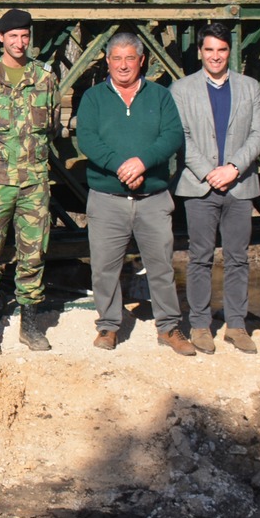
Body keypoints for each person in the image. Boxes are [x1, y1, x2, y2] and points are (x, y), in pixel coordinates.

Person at [73, 31, 196, 354]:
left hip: (153, 199)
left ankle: (169, 327)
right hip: (107, 198)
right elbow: (87, 138)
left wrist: (143, 162)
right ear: (108, 62)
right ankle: (108, 326)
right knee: (104, 267)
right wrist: (119, 165)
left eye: (130, 58)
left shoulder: (160, 96)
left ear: (142, 61)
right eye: (117, 58)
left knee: (162, 267)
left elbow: (172, 136)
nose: (123, 65)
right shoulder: (93, 98)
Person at [0, 9, 59, 355]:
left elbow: (51, 124)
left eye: (25, 36)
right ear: (1, 37)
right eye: (13, 36)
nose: (20, 43)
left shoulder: (45, 78)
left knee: (34, 254)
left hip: (34, 183)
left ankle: (30, 327)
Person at [171, 25, 260, 354]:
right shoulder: (181, 90)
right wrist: (208, 172)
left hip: (239, 185)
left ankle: (236, 326)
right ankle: (200, 325)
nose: (215, 56)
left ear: (230, 52)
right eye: (209, 50)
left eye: (222, 50)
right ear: (200, 51)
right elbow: (180, 136)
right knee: (199, 258)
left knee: (239, 258)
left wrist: (234, 168)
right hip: (200, 186)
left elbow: (259, 133)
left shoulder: (249, 87)